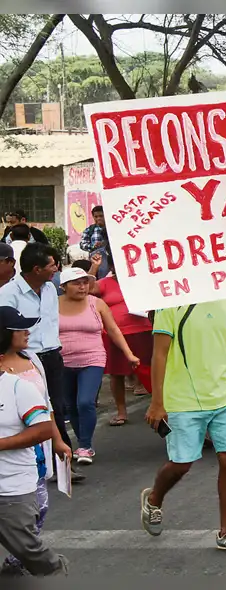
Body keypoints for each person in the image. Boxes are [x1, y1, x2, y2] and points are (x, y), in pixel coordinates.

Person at [140, 298, 226, 555]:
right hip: (184, 399)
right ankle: (154, 498)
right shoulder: (168, 303)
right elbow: (159, 353)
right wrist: (157, 402)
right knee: (181, 464)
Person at [0, 307, 71, 576]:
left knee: (34, 515)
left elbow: (46, 407)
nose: (27, 331)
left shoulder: (27, 369)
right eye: (20, 328)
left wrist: (57, 440)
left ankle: (44, 566)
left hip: (24, 462)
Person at [0, 243, 79, 480]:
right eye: (52, 265)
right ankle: (33, 461)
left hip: (51, 356)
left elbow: (51, 322)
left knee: (55, 407)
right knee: (26, 410)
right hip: (23, 359)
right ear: (36, 269)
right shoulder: (7, 294)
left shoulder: (50, 289)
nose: (55, 268)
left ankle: (63, 463)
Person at [58, 267, 139, 465]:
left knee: (85, 402)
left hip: (92, 359)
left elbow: (113, 330)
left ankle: (85, 445)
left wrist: (129, 354)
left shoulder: (97, 303)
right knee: (70, 405)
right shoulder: (52, 304)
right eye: (76, 283)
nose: (82, 286)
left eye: (85, 282)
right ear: (63, 287)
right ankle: (83, 442)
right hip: (61, 362)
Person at [95, 253, 154, 426]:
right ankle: (121, 412)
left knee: (154, 369)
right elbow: (85, 288)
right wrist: (95, 267)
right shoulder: (104, 283)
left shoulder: (142, 280)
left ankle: (162, 405)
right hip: (116, 334)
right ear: (111, 267)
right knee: (117, 373)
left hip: (145, 330)